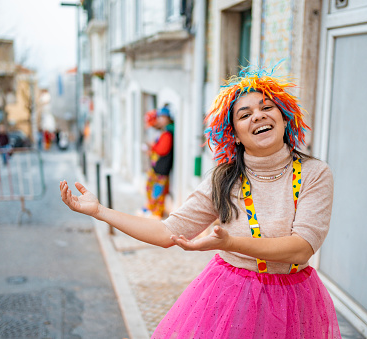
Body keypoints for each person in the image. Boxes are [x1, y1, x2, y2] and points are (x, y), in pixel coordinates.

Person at [60, 67, 340, 338]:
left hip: (296, 303)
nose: (258, 116)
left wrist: (229, 243)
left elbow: (300, 250)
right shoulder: (223, 178)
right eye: (245, 114)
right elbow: (167, 232)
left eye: (267, 107)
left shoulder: (315, 173)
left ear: (283, 116)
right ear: (235, 135)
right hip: (233, 299)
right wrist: (99, 211)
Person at [142, 105, 174, 218]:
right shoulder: (165, 132)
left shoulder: (167, 133)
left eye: (162, 118)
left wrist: (153, 147)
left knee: (158, 191)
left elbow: (162, 149)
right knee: (151, 188)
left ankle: (157, 212)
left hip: (161, 168)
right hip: (157, 167)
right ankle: (152, 209)